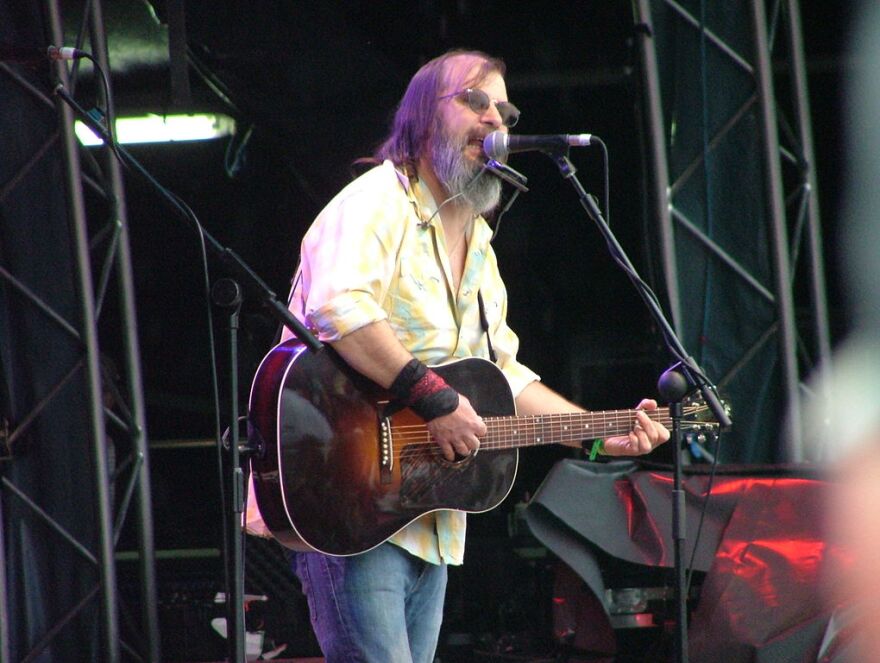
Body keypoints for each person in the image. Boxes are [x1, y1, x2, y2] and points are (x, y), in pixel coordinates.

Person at [259, 49, 670, 663]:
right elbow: (340, 312)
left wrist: (596, 436)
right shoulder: (378, 202)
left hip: (425, 514)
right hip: (348, 495)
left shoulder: (479, 243)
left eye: (503, 110)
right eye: (475, 101)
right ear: (425, 116)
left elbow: (504, 373)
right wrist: (436, 398)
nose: (493, 120)